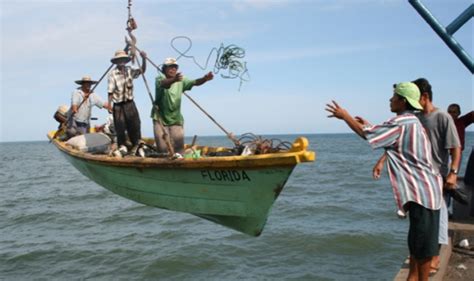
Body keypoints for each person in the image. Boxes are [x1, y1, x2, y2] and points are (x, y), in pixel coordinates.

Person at [326, 82, 443, 281]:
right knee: (416, 245)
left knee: (422, 252)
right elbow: (385, 135)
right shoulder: (411, 121)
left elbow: (367, 135)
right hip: (426, 193)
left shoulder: (402, 123)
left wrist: (345, 116)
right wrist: (369, 124)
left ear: (403, 101)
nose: (390, 99)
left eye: (394, 96)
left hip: (423, 196)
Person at [151, 57, 213, 155]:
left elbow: (195, 82)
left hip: (176, 119)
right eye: (170, 67)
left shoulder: (181, 80)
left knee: (179, 151)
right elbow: (164, 84)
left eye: (175, 67)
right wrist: (174, 80)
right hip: (160, 118)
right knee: (162, 150)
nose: (173, 69)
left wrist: (205, 79)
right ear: (164, 69)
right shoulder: (160, 78)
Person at [107, 49, 147, 156]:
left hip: (130, 103)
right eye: (119, 60)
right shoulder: (112, 74)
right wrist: (109, 105)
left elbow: (142, 71)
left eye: (123, 60)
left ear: (125, 61)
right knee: (120, 126)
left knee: (135, 124)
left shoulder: (130, 70)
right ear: (116, 62)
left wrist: (144, 59)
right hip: (118, 105)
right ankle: (122, 146)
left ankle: (137, 145)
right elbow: (110, 91)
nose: (121, 62)